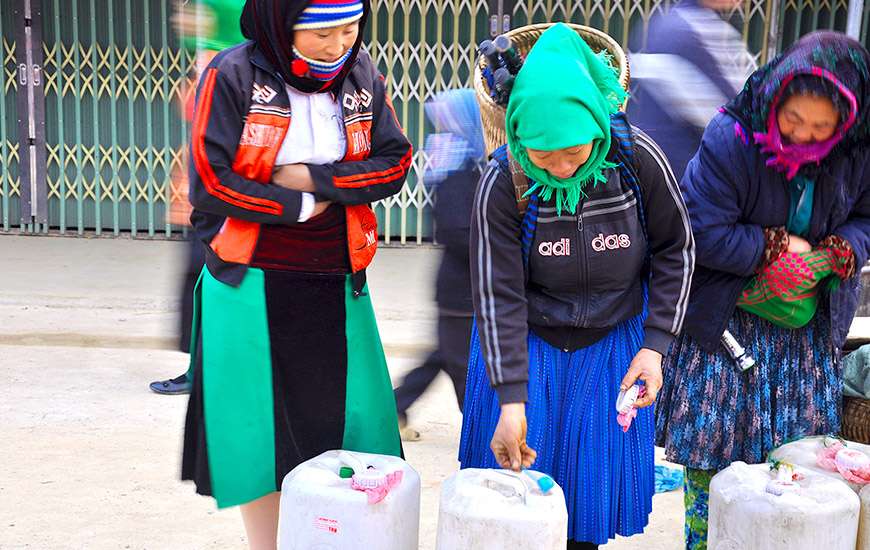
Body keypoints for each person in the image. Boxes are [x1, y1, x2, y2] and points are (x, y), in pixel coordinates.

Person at [180, 0, 412, 547]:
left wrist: (312, 178)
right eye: (322, 34)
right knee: (261, 437)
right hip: (251, 279)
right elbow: (210, 181)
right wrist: (296, 209)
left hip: (337, 277)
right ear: (281, 26)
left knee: (349, 427)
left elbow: (394, 161)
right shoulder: (232, 73)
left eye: (350, 30)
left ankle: (332, 535)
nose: (339, 47)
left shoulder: (361, 75)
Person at [459, 24, 695, 549]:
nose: (562, 167)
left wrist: (655, 348)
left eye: (574, 151)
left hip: (613, 346)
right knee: (512, 507)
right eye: (544, 156)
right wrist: (511, 400)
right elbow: (498, 296)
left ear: (595, 123)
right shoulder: (504, 182)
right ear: (519, 137)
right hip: (530, 344)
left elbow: (677, 250)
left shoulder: (637, 161)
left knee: (584, 511)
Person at [654, 31, 870, 549]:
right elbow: (698, 230)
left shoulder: (859, 152)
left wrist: (838, 250)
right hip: (727, 331)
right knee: (715, 469)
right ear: (775, 97)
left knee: (796, 477)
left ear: (846, 122)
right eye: (792, 120)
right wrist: (772, 249)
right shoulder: (732, 137)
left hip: (804, 340)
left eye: (821, 127)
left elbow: (866, 217)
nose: (802, 136)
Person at [150, 0, 245, 395]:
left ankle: (206, 371)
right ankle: (200, 367)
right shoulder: (212, 51)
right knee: (202, 280)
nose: (180, 15)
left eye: (190, 9)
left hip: (221, 196)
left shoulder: (226, 61)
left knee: (213, 279)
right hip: (205, 190)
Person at [393, 89, 484, 440]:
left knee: (444, 355)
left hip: (462, 285)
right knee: (458, 362)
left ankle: (394, 407)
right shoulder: (456, 166)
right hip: (461, 287)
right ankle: (479, 431)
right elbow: (455, 231)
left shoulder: (464, 160)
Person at [627, 0, 756, 180]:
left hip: (646, 164)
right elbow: (734, 114)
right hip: (679, 175)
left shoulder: (663, 24)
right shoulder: (695, 29)